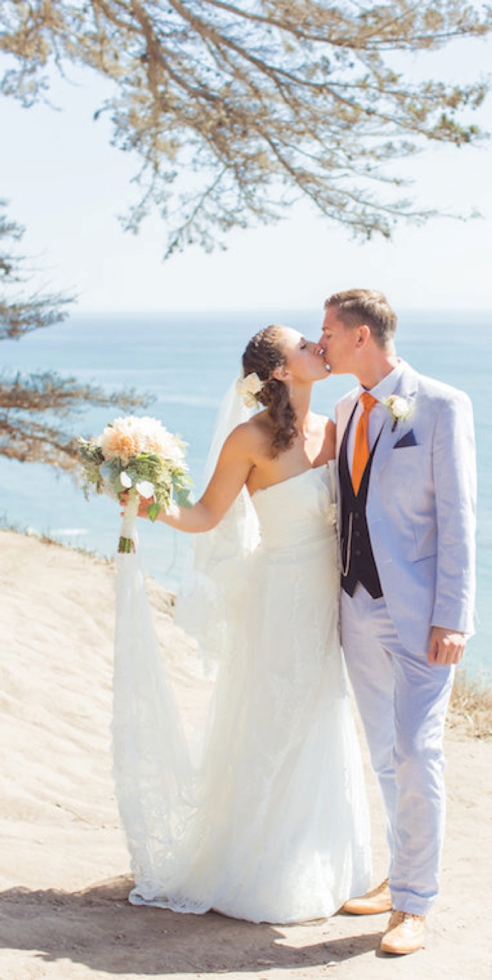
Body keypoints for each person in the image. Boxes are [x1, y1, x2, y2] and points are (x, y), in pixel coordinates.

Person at [116, 323, 370, 924]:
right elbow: (206, 515)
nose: (317, 347)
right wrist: (145, 502)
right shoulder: (248, 438)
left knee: (322, 719)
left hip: (329, 599)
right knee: (275, 721)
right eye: (304, 345)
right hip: (279, 597)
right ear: (281, 371)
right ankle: (259, 874)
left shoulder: (333, 429)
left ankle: (325, 867)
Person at [318, 290, 477, 955]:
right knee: (386, 752)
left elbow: (460, 519)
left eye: (327, 330)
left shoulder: (440, 404)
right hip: (355, 607)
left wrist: (454, 617)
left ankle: (415, 905)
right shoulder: (346, 407)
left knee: (418, 750)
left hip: (418, 616)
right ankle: (396, 878)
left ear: (360, 336)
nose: (319, 340)